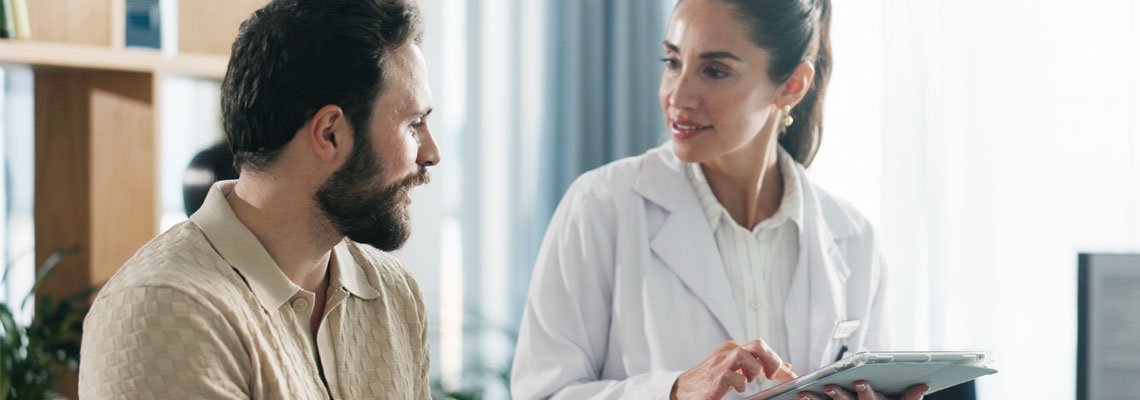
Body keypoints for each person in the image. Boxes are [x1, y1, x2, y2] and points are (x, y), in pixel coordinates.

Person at [510, 0, 927, 399]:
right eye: (673, 62)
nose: (677, 95)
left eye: (714, 71)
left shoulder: (853, 238)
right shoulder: (600, 207)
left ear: (792, 85)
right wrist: (673, 392)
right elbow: (541, 392)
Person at [78, 0, 440, 398]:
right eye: (414, 124)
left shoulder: (394, 293)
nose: (431, 153)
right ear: (330, 133)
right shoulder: (165, 310)